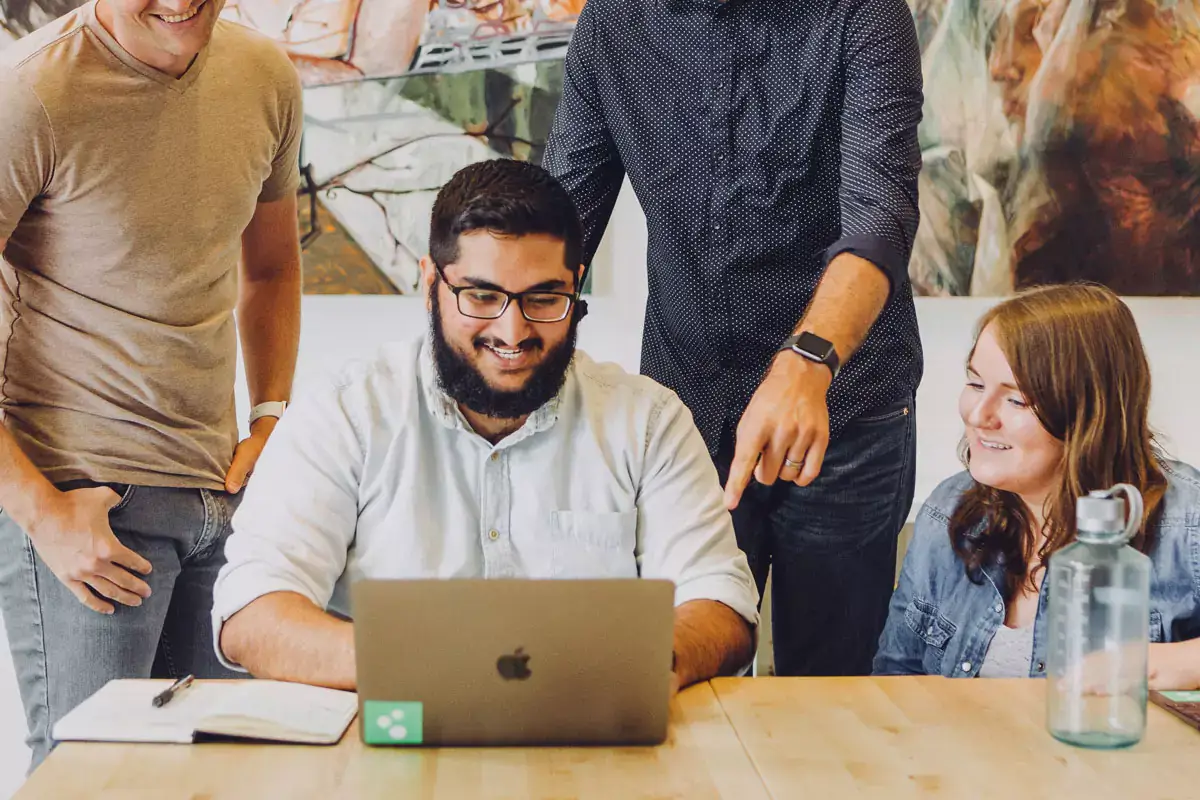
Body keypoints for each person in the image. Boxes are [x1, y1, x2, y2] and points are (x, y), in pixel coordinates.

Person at [212, 159, 759, 691]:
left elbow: (722, 601)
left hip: (593, 750)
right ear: (431, 282)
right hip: (387, 745)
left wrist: (643, 664)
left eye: (545, 298)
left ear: (577, 285)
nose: (513, 330)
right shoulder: (344, 414)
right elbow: (251, 611)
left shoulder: (648, 423)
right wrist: (430, 670)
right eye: (482, 296)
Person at [542, 0, 925, 676]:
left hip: (846, 408)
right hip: (685, 407)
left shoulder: (860, 12)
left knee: (829, 691)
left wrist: (807, 361)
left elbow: (881, 214)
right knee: (680, 671)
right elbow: (557, 220)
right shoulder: (615, 23)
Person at [0, 0, 303, 768]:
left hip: (217, 499)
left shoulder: (264, 74)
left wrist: (271, 419)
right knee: (90, 777)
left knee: (214, 774)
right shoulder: (33, 92)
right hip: (87, 504)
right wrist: (41, 511)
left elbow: (269, 266)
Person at [874, 284, 1200, 686]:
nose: (978, 415)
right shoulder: (950, 506)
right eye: (976, 384)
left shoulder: (1187, 522)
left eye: (1017, 401)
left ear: (1088, 414)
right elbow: (894, 677)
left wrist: (1154, 664)